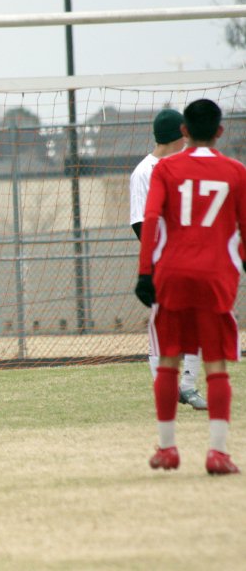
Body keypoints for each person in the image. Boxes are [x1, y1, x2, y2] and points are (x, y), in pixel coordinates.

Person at [135, 99, 246, 475]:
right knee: (216, 364)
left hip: (172, 275)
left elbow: (151, 219)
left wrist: (145, 272)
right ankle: (217, 453)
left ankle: (167, 449)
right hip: (216, 278)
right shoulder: (236, 172)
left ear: (184, 131)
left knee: (168, 359)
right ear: (219, 131)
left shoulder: (165, 169)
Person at [129, 109, 207, 410]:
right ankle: (167, 388)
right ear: (177, 137)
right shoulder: (144, 172)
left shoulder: (187, 166)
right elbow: (141, 223)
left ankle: (188, 386)